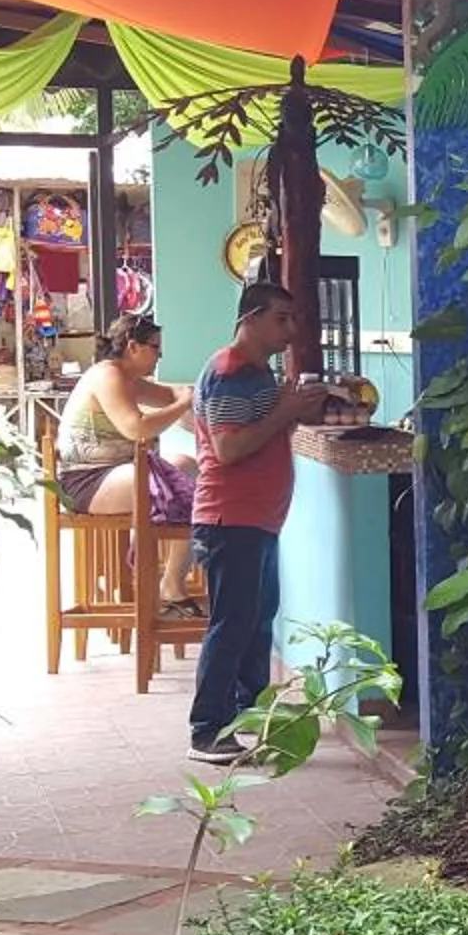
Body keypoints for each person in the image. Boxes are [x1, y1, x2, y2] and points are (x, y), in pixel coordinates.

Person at [186, 282, 335, 764]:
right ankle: (207, 729)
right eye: (281, 319)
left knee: (255, 622)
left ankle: (249, 719)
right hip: (232, 517)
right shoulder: (232, 372)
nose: (291, 331)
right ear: (250, 319)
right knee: (232, 625)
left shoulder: (257, 374)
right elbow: (230, 448)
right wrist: (287, 411)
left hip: (258, 519)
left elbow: (259, 434)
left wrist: (290, 411)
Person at [53, 315, 200, 614]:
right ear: (133, 347)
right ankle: (155, 579)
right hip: (86, 481)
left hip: (115, 474)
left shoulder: (130, 380)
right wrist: (182, 404)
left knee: (186, 467)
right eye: (155, 348)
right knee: (172, 486)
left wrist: (192, 404)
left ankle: (171, 581)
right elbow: (138, 428)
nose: (160, 355)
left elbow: (171, 396)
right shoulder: (108, 376)